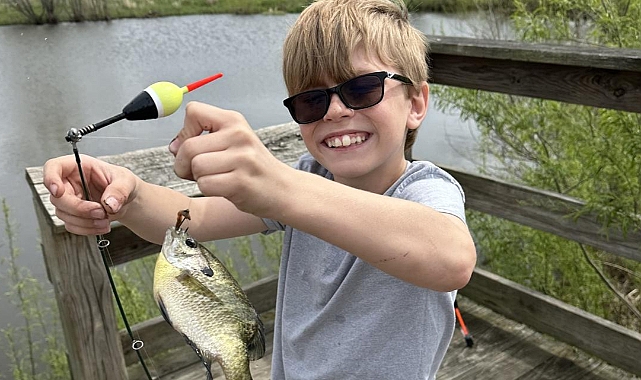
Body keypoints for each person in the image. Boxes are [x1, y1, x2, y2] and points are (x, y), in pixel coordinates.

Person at [43, 0, 477, 378]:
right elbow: (192, 219)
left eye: (362, 89)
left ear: (416, 103)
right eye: (312, 101)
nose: (336, 112)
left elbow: (449, 259)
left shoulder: (424, 189)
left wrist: (280, 187)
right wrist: (129, 195)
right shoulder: (309, 178)